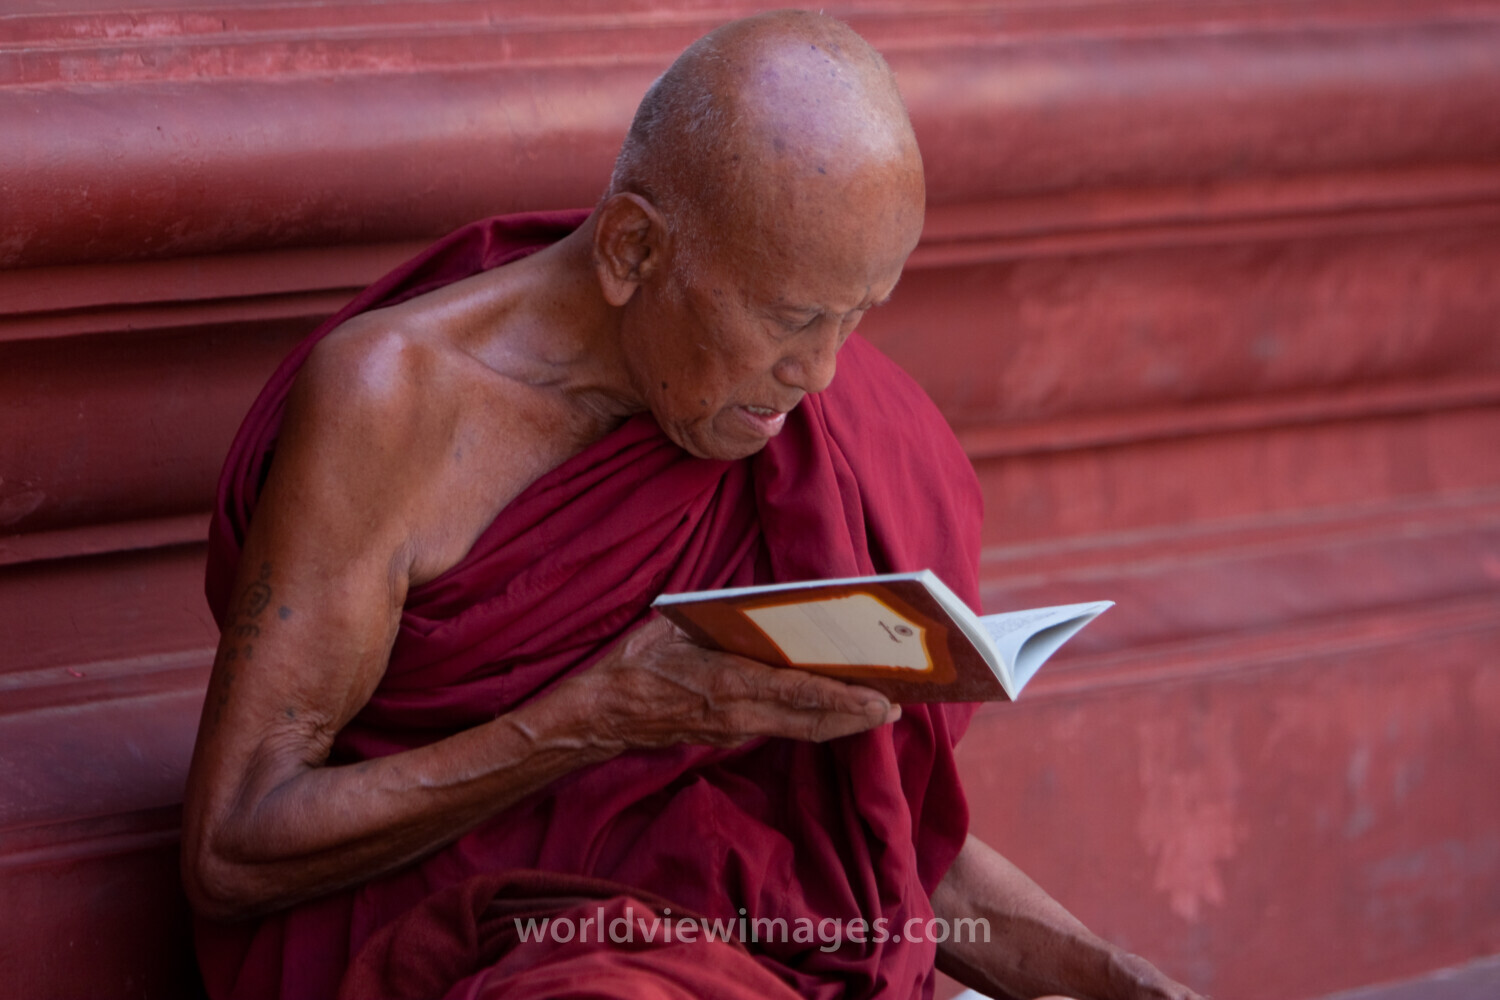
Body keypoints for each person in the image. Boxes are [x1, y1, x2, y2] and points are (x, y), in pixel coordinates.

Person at [182, 10, 1205, 1000]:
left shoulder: (805, 448)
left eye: (857, 315)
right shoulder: (394, 404)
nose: (821, 372)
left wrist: (1119, 980)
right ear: (632, 250)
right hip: (447, 937)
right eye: (791, 318)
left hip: (731, 948)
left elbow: (863, 840)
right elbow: (233, 843)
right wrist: (591, 719)